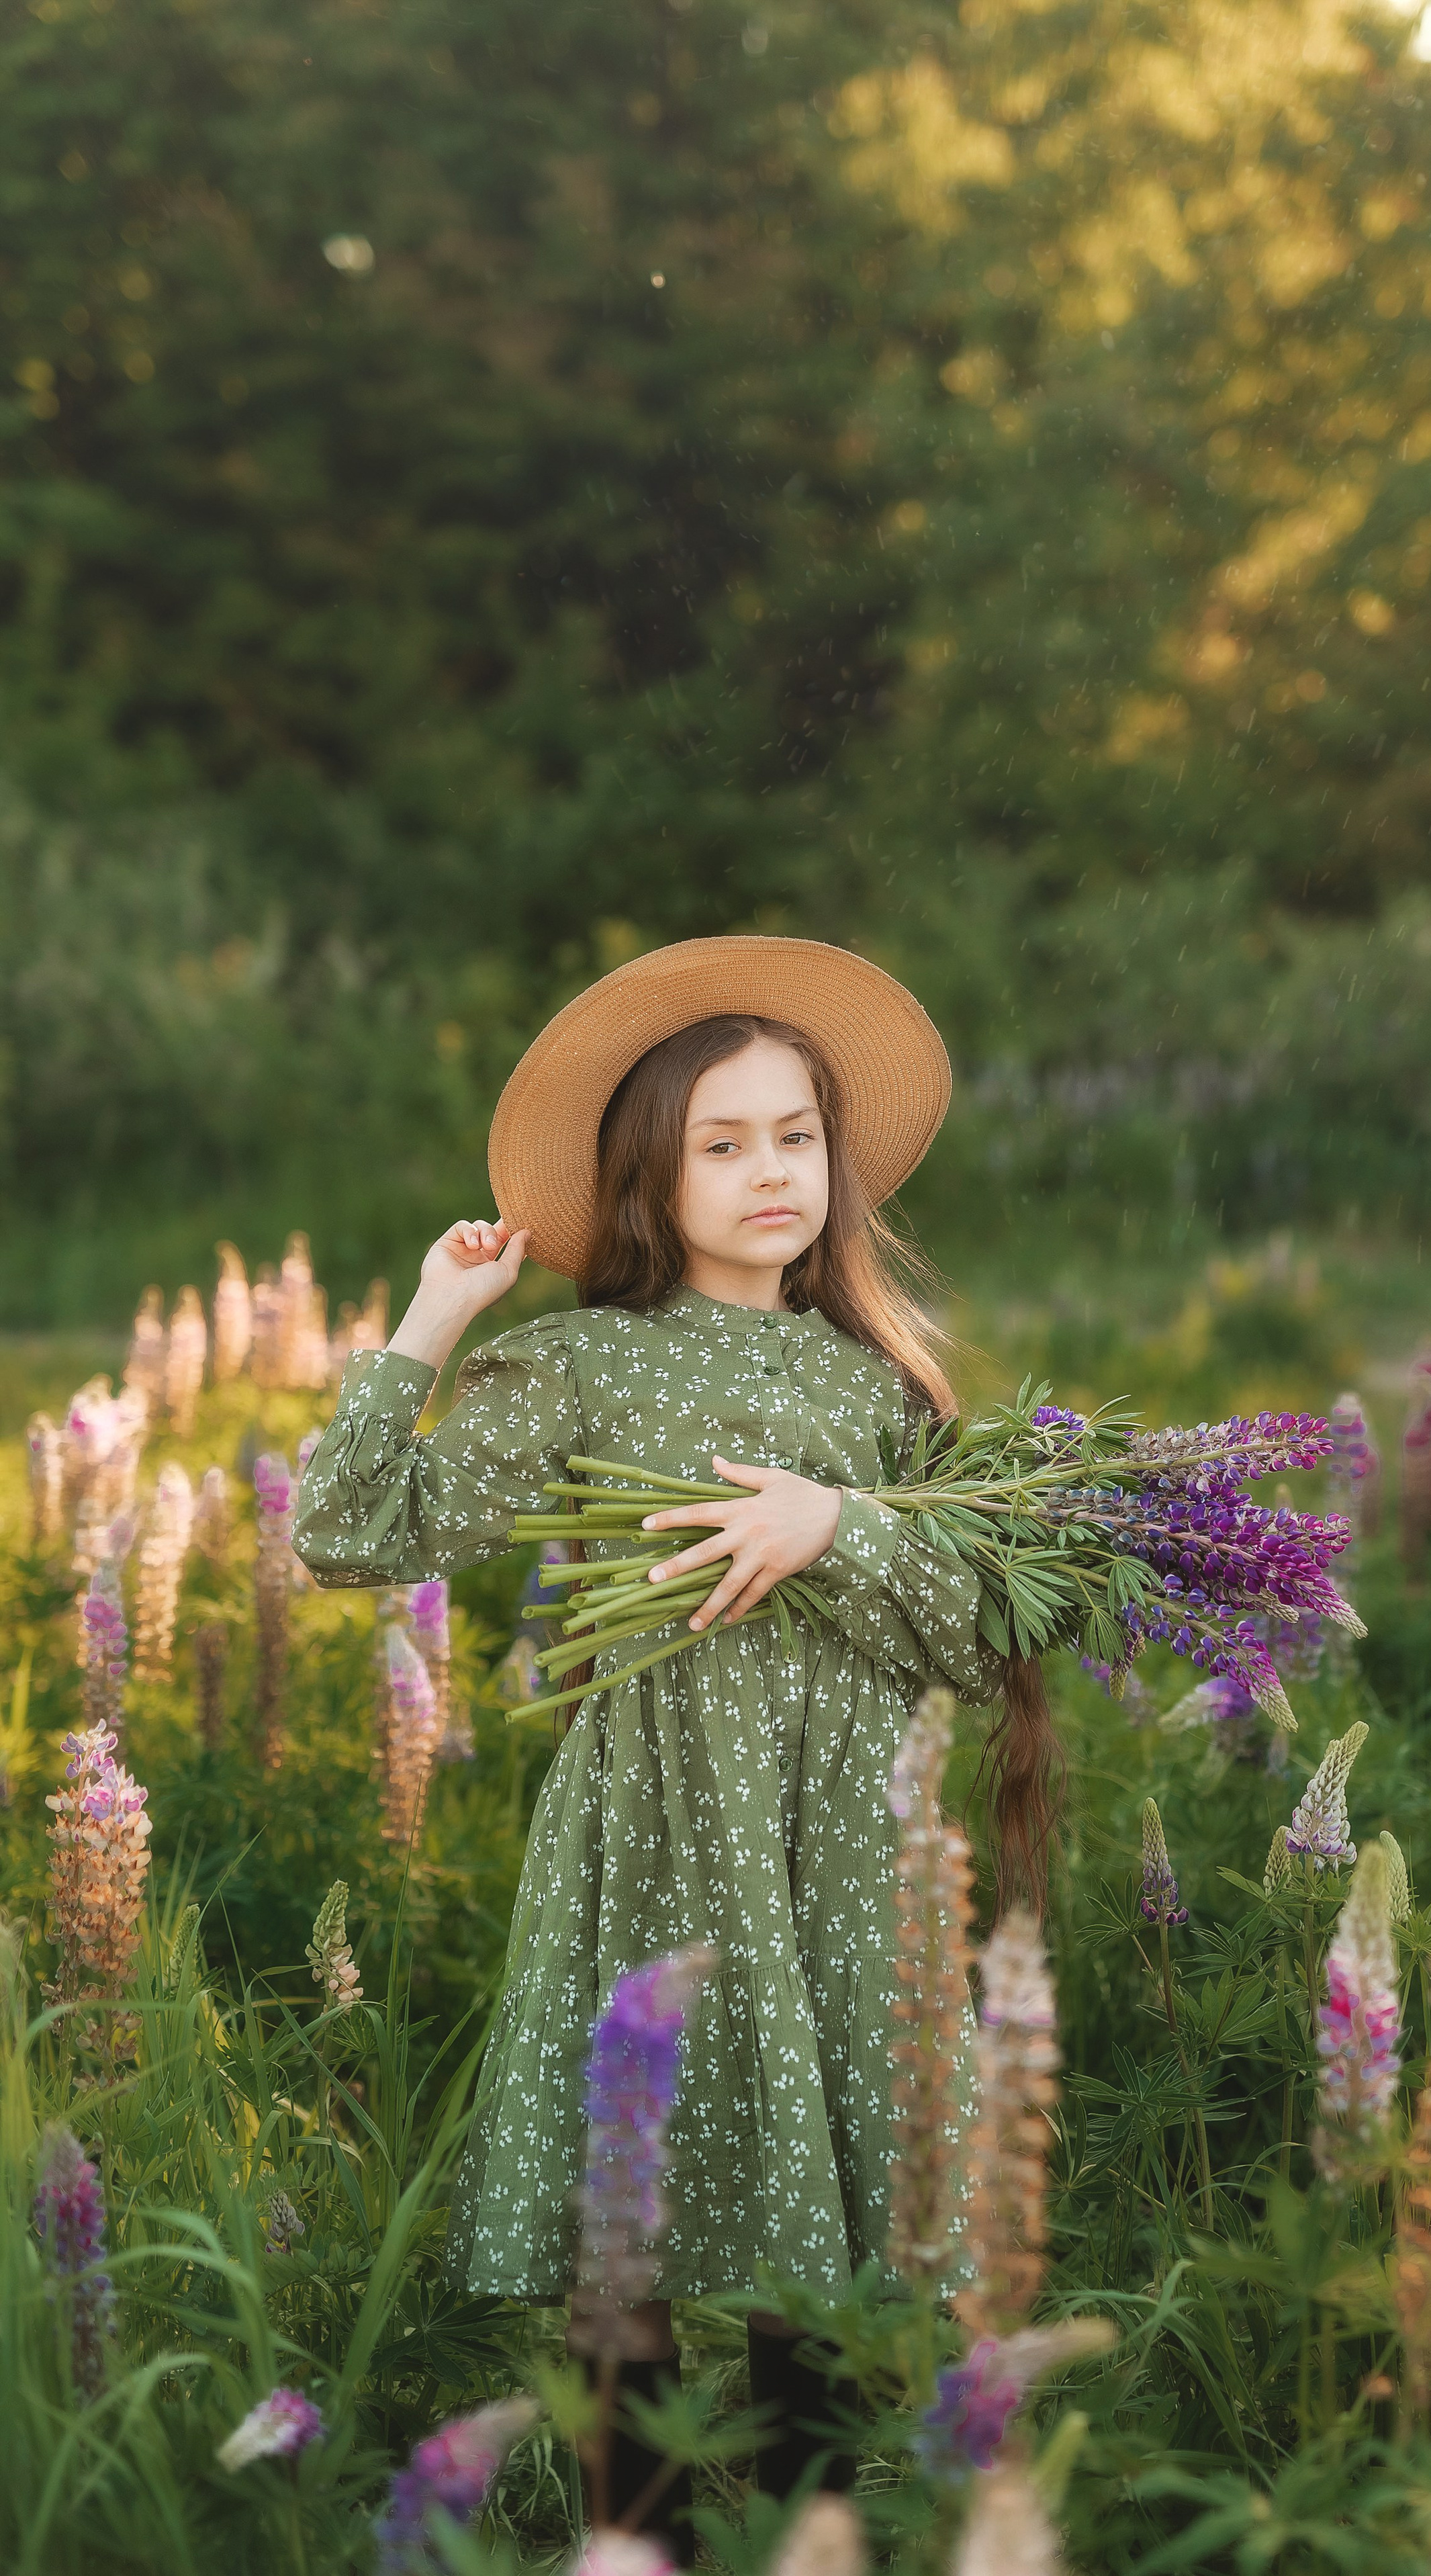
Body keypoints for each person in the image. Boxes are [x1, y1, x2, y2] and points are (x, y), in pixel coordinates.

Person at [293, 936, 1056, 2547]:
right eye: (722, 1143)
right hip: (659, 1810)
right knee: (628, 2195)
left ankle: (810, 2526)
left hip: (846, 1828)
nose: (770, 1169)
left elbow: (973, 1636)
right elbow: (350, 1534)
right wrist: (431, 1322)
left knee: (829, 2180)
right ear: (651, 1172)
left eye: (794, 1134)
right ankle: (622, 2532)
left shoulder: (875, 1381)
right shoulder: (579, 1360)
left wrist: (834, 1519)